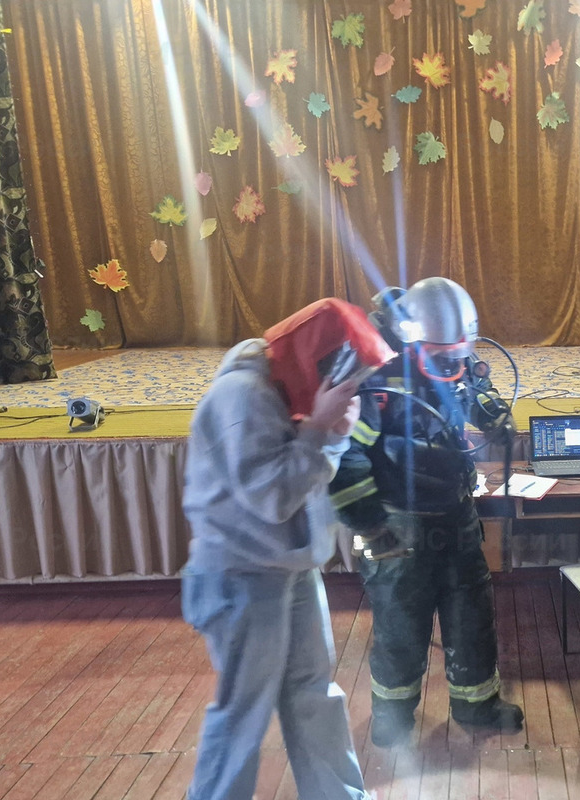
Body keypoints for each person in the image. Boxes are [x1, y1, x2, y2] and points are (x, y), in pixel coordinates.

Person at [181, 298, 394, 800]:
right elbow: (274, 497)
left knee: (314, 695)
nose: (350, 389)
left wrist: (334, 435)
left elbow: (304, 481)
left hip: (291, 569)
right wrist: (319, 429)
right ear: (314, 363)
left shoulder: (284, 388)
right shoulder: (242, 395)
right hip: (240, 575)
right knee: (243, 711)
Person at [329, 276, 523, 748]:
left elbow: (475, 389)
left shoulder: (455, 359)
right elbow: (345, 458)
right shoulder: (375, 376)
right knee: (399, 627)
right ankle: (392, 716)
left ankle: (477, 705)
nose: (452, 366)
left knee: (472, 619)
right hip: (397, 524)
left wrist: (494, 414)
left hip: (457, 514)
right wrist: (370, 525)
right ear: (414, 340)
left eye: (458, 356)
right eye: (441, 357)